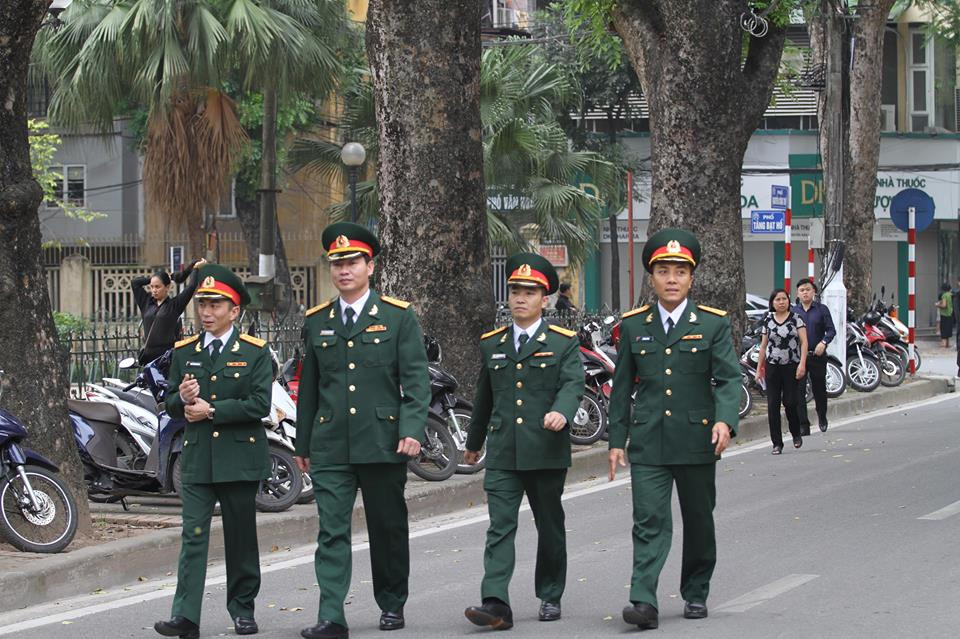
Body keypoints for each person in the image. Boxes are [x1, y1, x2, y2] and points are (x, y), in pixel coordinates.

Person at [294, 222, 431, 639]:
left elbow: (416, 380)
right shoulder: (317, 321)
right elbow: (310, 387)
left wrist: (412, 428)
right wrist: (303, 442)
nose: (344, 270)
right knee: (330, 530)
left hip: (382, 441)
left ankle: (392, 603)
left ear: (370, 266)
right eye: (337, 264)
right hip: (332, 443)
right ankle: (331, 614)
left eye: (353, 262)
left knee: (387, 527)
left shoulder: (397, 316)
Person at [607, 228, 740, 630]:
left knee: (699, 519)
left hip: (698, 440)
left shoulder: (713, 324)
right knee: (648, 520)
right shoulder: (633, 326)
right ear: (651, 277)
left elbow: (729, 380)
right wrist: (616, 440)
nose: (671, 278)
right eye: (663, 270)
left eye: (679, 271)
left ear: (691, 278)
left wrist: (725, 419)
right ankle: (643, 600)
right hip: (648, 441)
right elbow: (622, 386)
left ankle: (696, 590)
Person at [462, 253, 582, 630]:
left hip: (545, 449)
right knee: (500, 526)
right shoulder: (492, 343)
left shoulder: (562, 342)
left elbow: (573, 383)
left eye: (529, 292)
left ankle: (550, 593)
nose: (520, 298)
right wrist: (474, 440)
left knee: (549, 525)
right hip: (503, 451)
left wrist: (562, 411)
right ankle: (495, 601)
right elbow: (486, 395)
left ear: (544, 299)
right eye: (515, 290)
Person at [154, 264, 272, 639]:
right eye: (202, 304)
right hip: (199, 456)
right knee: (193, 535)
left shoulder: (254, 352)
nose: (206, 312)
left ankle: (242, 609)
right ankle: (185, 615)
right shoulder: (184, 351)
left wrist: (213, 410)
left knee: (240, 536)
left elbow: (260, 404)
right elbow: (171, 400)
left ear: (234, 310)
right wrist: (183, 401)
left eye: (215, 304)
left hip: (239, 457)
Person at [756, 289, 808, 454]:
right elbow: (763, 347)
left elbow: (804, 343)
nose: (781, 302)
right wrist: (759, 370)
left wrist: (802, 364)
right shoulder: (768, 320)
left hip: (791, 366)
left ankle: (795, 433)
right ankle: (777, 443)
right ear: (772, 302)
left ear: (788, 301)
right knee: (772, 405)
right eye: (777, 299)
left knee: (790, 402)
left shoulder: (796, 319)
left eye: (784, 299)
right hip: (772, 367)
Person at [132, 258, 206, 365]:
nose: (154, 290)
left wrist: (195, 269)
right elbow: (135, 283)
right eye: (152, 287)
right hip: (149, 357)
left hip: (167, 358)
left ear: (167, 287)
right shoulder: (146, 303)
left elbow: (191, 287)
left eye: (157, 286)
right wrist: (154, 279)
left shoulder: (174, 305)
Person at [792, 278, 836, 433]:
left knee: (819, 389)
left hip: (817, 356)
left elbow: (831, 330)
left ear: (814, 291)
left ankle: (822, 416)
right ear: (797, 293)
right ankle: (804, 424)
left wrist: (823, 343)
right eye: (802, 290)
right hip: (799, 358)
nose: (805, 292)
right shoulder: (793, 312)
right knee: (799, 391)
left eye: (808, 289)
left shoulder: (822, 309)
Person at [936, 283, 953, 349]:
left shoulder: (944, 296)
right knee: (948, 330)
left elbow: (944, 305)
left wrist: (937, 305)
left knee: (944, 330)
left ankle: (943, 345)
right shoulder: (950, 295)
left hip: (944, 314)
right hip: (950, 314)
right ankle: (948, 344)